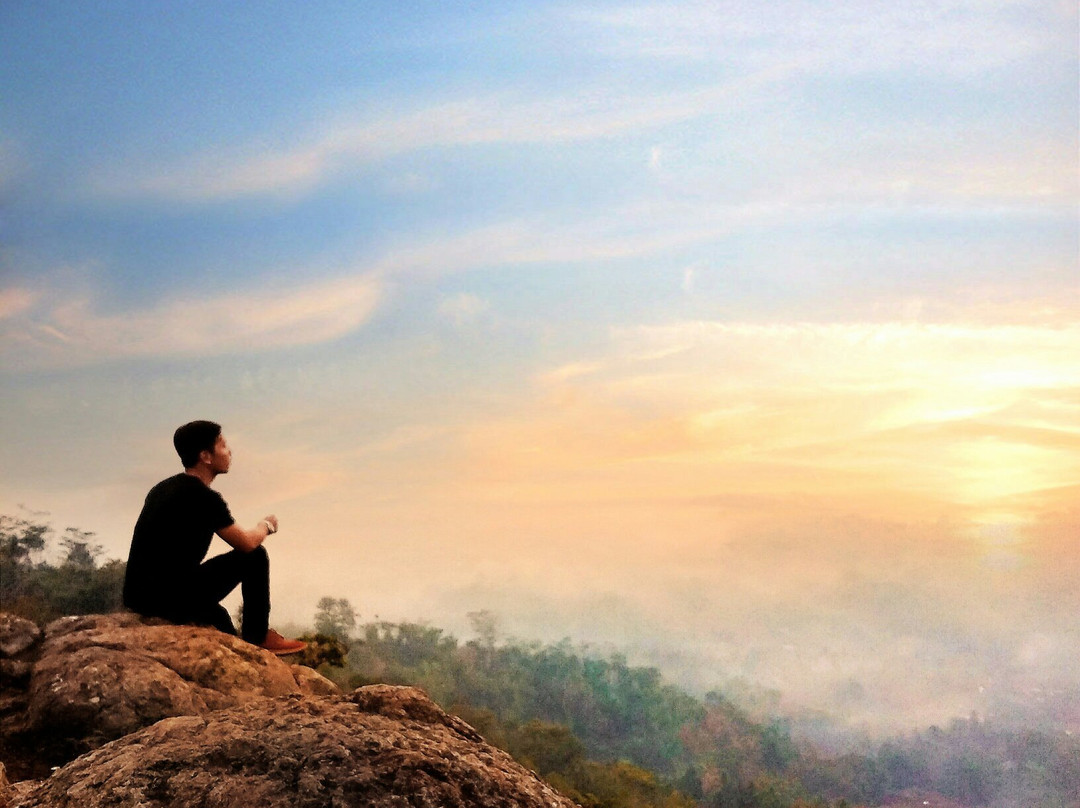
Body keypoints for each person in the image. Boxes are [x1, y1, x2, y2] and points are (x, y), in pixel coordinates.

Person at [123, 420, 306, 655]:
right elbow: (247, 543)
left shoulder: (161, 488)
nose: (229, 451)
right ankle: (258, 636)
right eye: (223, 445)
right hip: (170, 597)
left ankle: (247, 647)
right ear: (206, 456)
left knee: (222, 623)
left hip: (140, 597)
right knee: (255, 556)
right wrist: (266, 526)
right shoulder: (203, 497)